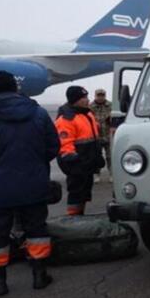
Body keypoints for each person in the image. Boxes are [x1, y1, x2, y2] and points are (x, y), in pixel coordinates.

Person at [0, 71, 58, 294]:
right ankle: (39, 275)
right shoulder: (39, 113)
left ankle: (1, 282)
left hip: (1, 188)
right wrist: (36, 164)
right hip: (34, 183)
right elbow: (53, 146)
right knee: (37, 230)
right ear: (15, 87)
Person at [55, 86, 105, 215]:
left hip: (87, 163)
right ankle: (72, 220)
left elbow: (93, 136)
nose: (87, 100)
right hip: (77, 165)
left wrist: (97, 156)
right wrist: (74, 162)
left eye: (87, 97)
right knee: (76, 194)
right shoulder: (66, 119)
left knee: (84, 194)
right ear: (74, 100)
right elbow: (65, 144)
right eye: (83, 98)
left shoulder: (87, 114)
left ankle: (80, 216)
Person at [89, 88, 112, 184]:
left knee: (110, 156)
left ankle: (111, 174)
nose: (100, 97)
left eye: (102, 95)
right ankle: (97, 174)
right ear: (95, 96)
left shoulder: (110, 105)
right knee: (96, 156)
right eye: (99, 95)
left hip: (108, 135)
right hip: (96, 136)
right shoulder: (90, 107)